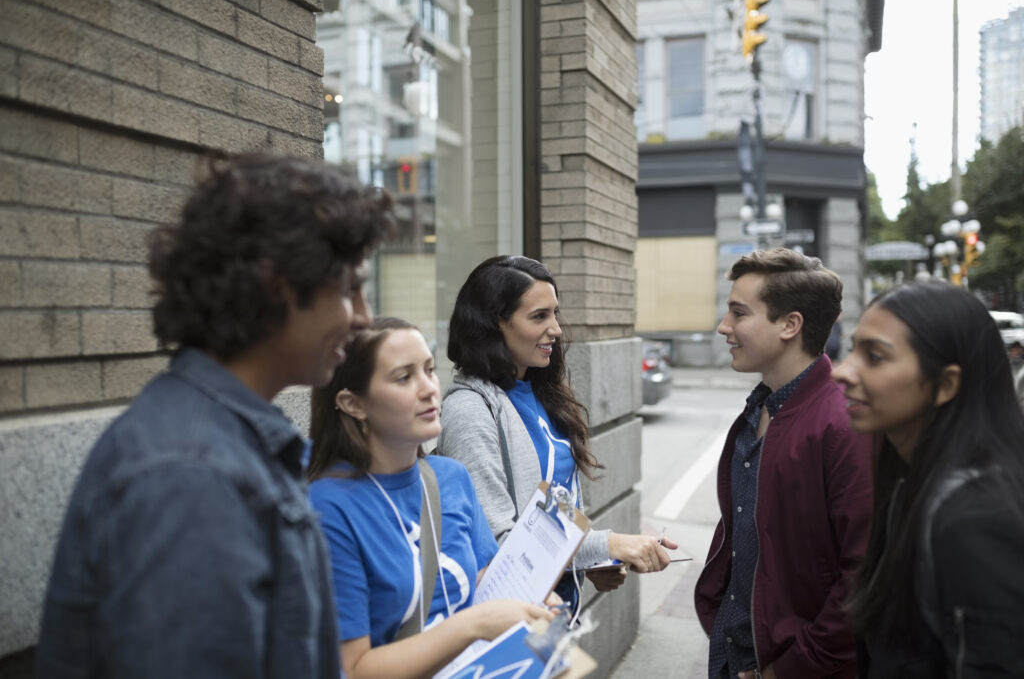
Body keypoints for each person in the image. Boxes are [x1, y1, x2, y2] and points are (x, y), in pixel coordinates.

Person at [35, 154, 394, 679]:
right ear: (278, 285)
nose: (362, 316)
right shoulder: (192, 475)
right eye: (347, 289)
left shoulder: (224, 443)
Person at [307, 317, 552, 678]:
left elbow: (487, 583)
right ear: (352, 403)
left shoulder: (451, 477)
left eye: (429, 369)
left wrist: (532, 605)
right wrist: (473, 625)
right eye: (404, 377)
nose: (429, 389)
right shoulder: (325, 508)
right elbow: (353, 669)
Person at [437, 255, 675, 610]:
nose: (557, 329)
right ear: (493, 324)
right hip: (507, 624)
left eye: (554, 313)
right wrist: (606, 545)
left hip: (554, 613)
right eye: (538, 316)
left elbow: (551, 516)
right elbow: (498, 544)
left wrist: (586, 562)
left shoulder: (539, 390)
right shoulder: (469, 411)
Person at [694, 248, 872, 679]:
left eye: (739, 313)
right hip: (734, 650)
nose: (724, 327)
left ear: (790, 325)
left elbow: (864, 576)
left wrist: (788, 669)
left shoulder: (845, 424)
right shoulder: (757, 409)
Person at [832, 281, 1024, 678]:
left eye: (875, 356)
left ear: (946, 384)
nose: (842, 371)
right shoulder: (909, 475)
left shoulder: (976, 518)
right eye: (853, 349)